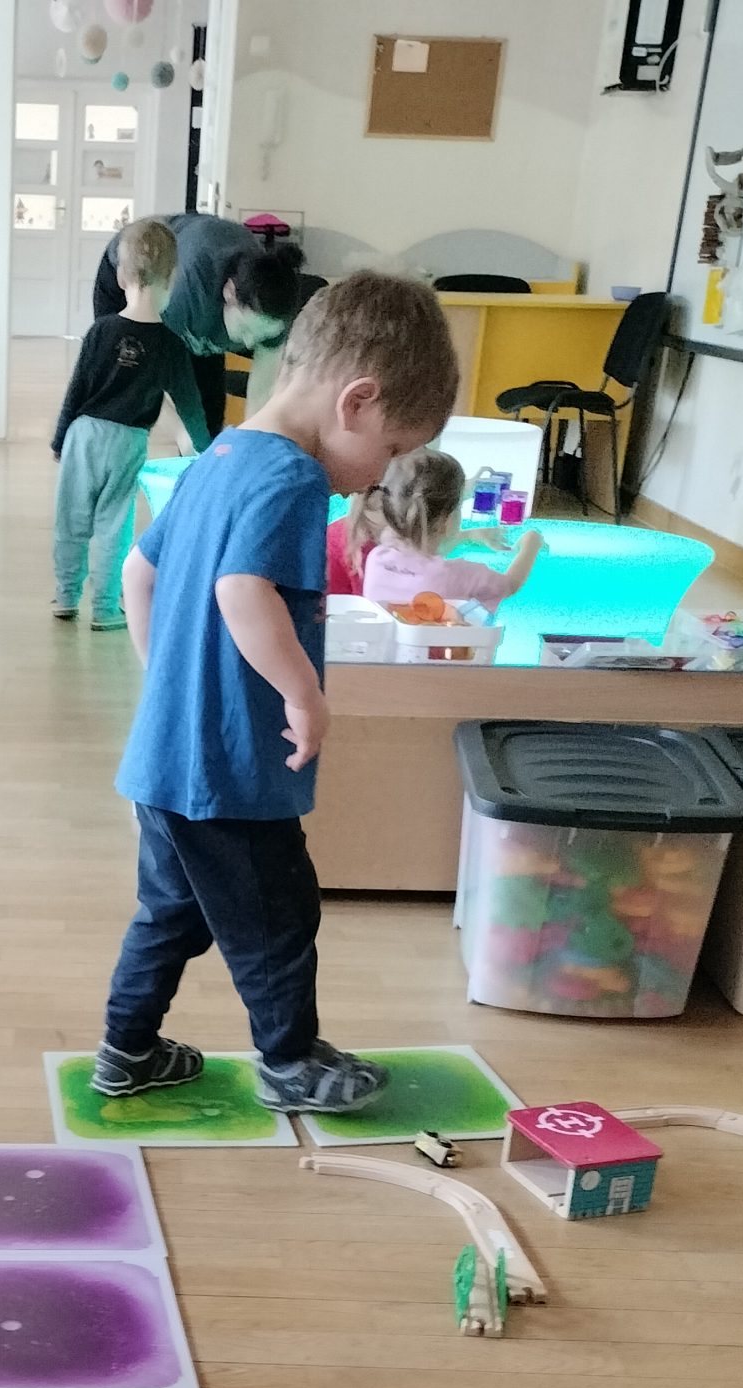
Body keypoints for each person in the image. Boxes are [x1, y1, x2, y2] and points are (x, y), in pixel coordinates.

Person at [90, 272, 458, 1116]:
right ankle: (289, 1061)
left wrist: (167, 680)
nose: (380, 477)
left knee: (171, 912)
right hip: (232, 769)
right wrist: (303, 693)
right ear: (356, 402)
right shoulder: (293, 478)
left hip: (166, 757)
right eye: (394, 449)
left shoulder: (217, 457)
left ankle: (126, 1050)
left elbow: (138, 572)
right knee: (278, 917)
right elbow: (241, 589)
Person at [51, 217, 208, 630]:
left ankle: (65, 597)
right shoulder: (171, 344)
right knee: (113, 526)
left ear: (121, 276)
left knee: (71, 520)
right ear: (171, 279)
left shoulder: (100, 331)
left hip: (84, 435)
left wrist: (59, 438)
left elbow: (77, 388)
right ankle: (104, 608)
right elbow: (189, 402)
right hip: (128, 440)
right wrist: (206, 448)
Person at [93, 211, 304, 442]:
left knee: (207, 425)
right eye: (245, 330)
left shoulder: (273, 311)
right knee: (123, 393)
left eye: (260, 337)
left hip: (204, 307)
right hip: (131, 272)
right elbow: (142, 376)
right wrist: (181, 433)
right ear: (229, 293)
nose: (249, 343)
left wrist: (249, 443)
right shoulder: (179, 295)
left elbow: (261, 390)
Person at [358, 447, 544, 611]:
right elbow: (510, 585)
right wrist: (531, 544)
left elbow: (419, 555)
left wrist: (468, 535)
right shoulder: (458, 576)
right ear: (446, 521)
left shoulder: (377, 557)